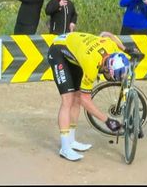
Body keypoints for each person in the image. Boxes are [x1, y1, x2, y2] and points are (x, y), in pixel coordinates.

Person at [47, 31, 133, 161]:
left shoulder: (113, 48)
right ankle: (65, 148)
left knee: (76, 97)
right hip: (58, 51)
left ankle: (71, 141)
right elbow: (85, 100)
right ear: (107, 69)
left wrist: (126, 49)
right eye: (112, 77)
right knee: (68, 99)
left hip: (75, 50)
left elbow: (106, 35)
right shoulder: (91, 65)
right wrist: (107, 121)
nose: (112, 79)